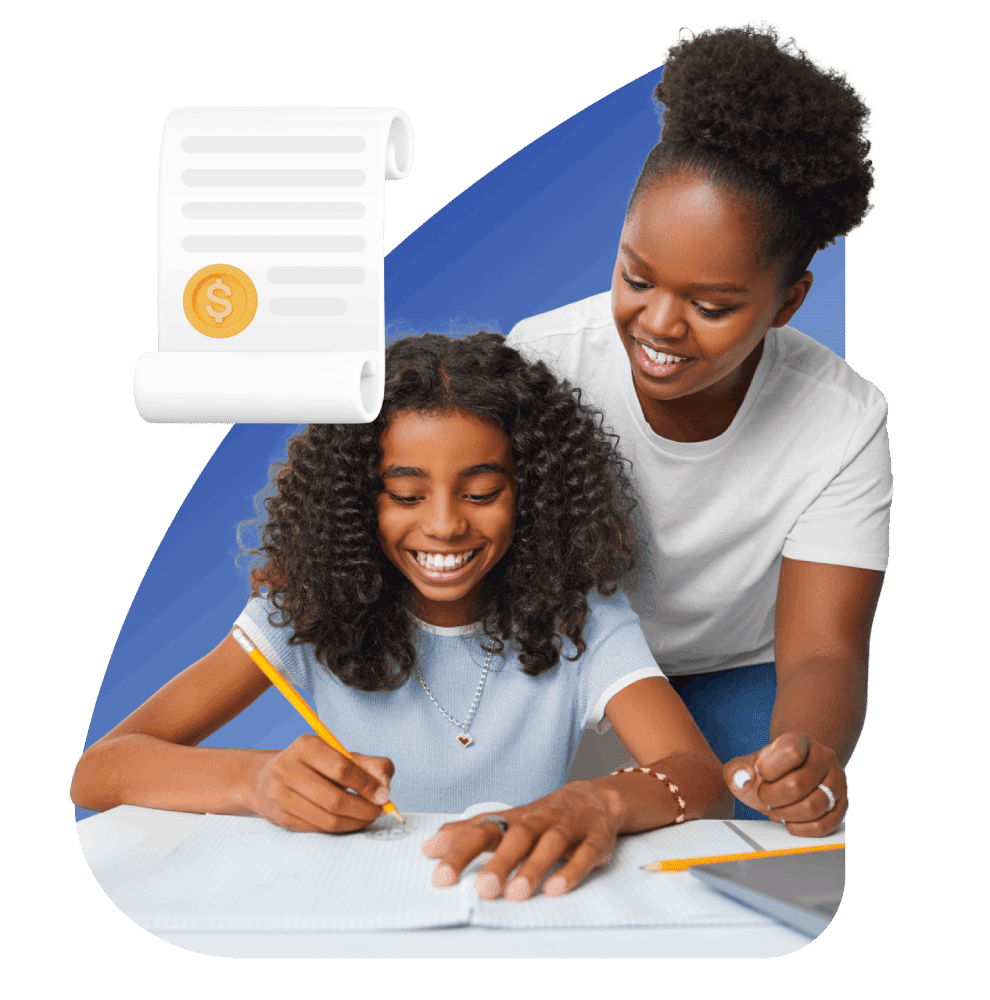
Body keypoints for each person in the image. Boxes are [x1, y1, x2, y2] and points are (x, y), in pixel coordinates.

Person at [70, 331, 735, 903]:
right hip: (347, 907)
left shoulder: (580, 616)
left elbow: (699, 777)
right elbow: (100, 771)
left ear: (532, 495)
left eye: (481, 492)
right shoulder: (304, 611)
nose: (444, 525)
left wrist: (599, 801)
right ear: (359, 501)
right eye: (406, 494)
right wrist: (255, 782)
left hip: (515, 906)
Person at [506, 19, 890, 834]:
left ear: (789, 302)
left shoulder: (843, 421)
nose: (660, 324)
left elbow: (823, 649)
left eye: (711, 306)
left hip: (731, 681)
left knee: (757, 812)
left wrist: (806, 750)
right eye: (635, 276)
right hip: (572, 671)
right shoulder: (542, 362)